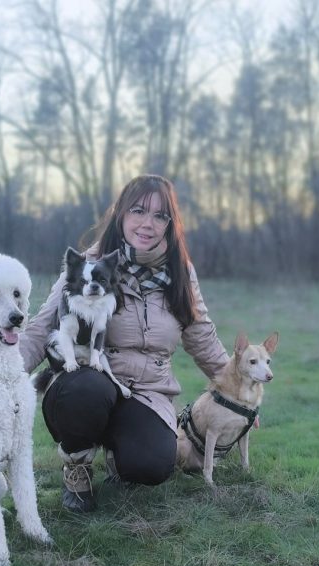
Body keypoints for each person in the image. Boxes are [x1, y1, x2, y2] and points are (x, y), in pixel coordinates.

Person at [21, 174, 229, 512]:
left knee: (152, 465)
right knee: (84, 390)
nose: (148, 224)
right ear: (120, 214)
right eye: (138, 211)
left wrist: (235, 392)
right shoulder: (88, 265)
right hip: (88, 381)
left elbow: (201, 335)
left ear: (169, 223)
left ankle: (122, 453)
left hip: (146, 392)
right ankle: (77, 468)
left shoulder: (181, 273)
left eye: (160, 215)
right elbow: (41, 327)